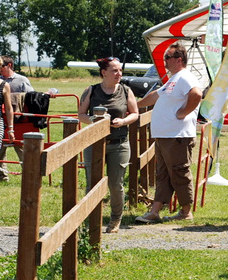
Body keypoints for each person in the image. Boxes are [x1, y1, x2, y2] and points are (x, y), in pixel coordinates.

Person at [135, 43, 202, 224]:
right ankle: (155, 211)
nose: (164, 62)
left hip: (178, 136)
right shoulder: (173, 79)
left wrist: (183, 113)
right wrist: (135, 105)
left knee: (179, 172)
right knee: (163, 174)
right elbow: (155, 95)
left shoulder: (185, 77)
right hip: (166, 136)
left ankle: (186, 211)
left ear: (179, 59)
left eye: (167, 58)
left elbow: (196, 94)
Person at [78, 57, 139, 233]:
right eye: (114, 70)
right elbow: (81, 114)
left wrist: (124, 121)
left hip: (119, 143)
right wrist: (93, 120)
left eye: (120, 70)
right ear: (103, 72)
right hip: (94, 143)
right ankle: (91, 220)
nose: (119, 74)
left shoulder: (126, 91)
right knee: (92, 183)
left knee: (115, 184)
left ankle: (115, 220)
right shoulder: (91, 90)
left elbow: (135, 113)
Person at [0, 56, 34, 181]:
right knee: (0, 149)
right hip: (1, 119)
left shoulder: (22, 80)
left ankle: (29, 175)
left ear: (9, 65)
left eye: (1, 66)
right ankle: (2, 177)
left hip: (19, 120)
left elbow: (31, 97)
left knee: (21, 148)